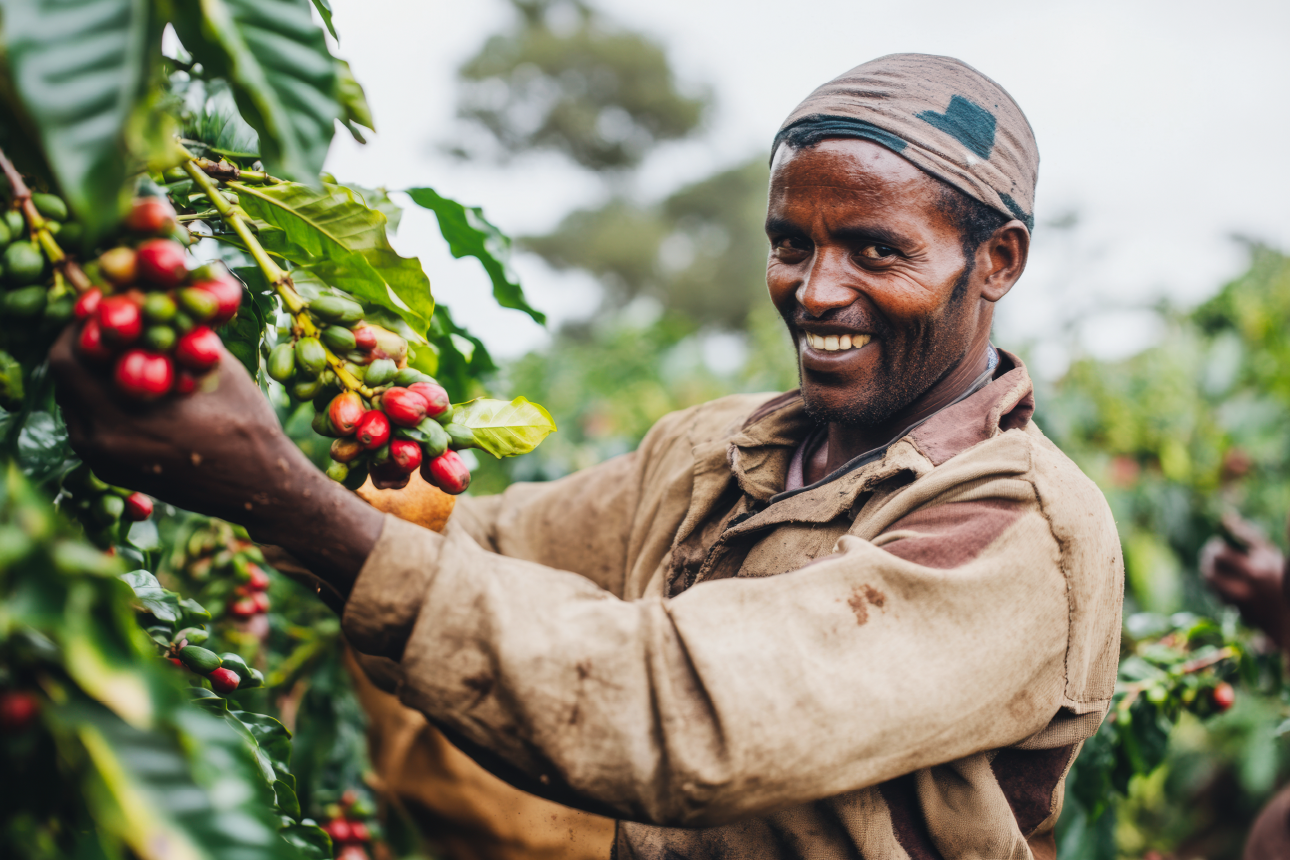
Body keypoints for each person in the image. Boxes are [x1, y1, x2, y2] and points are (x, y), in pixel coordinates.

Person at [51, 54, 1125, 860]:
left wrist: (280, 494)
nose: (816, 289)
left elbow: (685, 717)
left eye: (877, 250)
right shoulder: (716, 449)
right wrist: (273, 455)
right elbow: (488, 544)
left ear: (997, 261)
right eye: (790, 242)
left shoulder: (1017, 530)